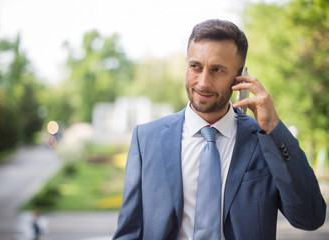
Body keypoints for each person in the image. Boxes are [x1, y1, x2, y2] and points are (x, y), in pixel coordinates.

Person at [113, 19, 326, 240]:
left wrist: (273, 127)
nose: (203, 82)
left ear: (240, 76)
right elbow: (130, 232)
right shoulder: (147, 138)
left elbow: (310, 218)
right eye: (195, 67)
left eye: (217, 70)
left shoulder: (265, 140)